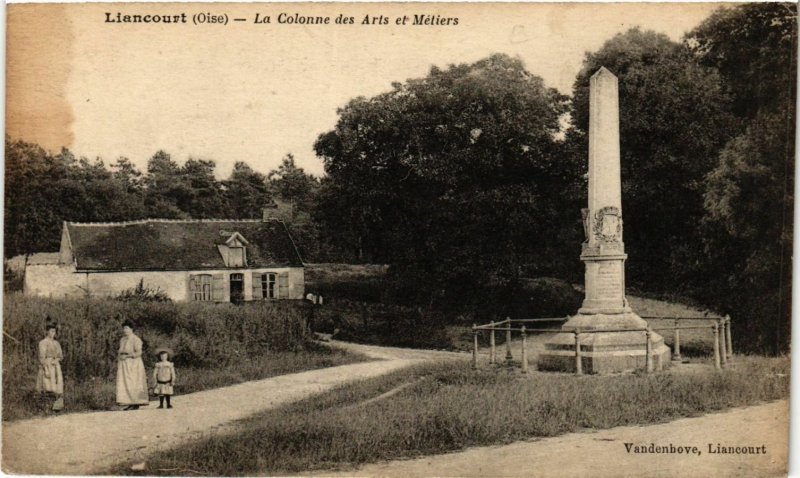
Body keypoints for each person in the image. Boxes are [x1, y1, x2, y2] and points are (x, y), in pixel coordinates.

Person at [116, 320, 149, 410]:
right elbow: (120, 351)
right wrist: (120, 356)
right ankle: (129, 402)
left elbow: (139, 352)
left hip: (133, 364)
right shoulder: (122, 340)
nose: (125, 330)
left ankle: (135, 402)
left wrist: (128, 356)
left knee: (133, 382)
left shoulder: (136, 339)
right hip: (124, 364)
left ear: (131, 329)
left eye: (127, 328)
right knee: (126, 383)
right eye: (124, 328)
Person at [36, 322, 64, 411]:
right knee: (47, 386)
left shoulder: (56, 343)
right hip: (47, 365)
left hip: (55, 366)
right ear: (47, 332)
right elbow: (42, 357)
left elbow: (60, 356)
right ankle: (45, 407)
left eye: (54, 332)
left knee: (57, 387)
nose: (53, 333)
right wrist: (46, 369)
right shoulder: (43, 343)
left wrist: (57, 360)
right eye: (51, 331)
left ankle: (56, 407)